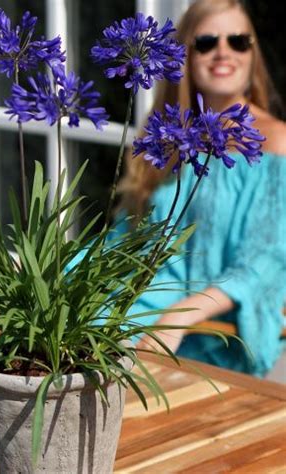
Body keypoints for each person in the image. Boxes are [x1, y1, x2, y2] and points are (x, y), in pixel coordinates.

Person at [117, 0, 286, 376]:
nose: (223, 51)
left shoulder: (277, 142)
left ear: (252, 54)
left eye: (238, 41)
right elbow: (125, 238)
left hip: (209, 333)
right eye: (206, 41)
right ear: (186, 57)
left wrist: (181, 313)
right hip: (130, 311)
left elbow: (267, 259)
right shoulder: (166, 135)